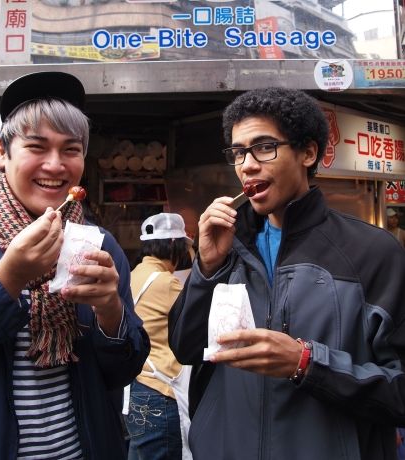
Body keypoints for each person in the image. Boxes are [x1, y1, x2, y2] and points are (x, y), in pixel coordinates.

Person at [168, 87, 405, 460]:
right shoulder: (229, 245)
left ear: (308, 153)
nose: (247, 165)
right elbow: (185, 348)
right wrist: (207, 268)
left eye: (264, 147)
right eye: (239, 152)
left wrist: (307, 364)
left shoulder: (373, 252)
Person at [0, 71, 150, 460]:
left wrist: (111, 313)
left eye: (71, 149)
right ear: (2, 153)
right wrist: (7, 278)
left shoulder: (99, 245)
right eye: (37, 147)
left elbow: (122, 373)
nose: (55, 165)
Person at [124, 213, 193, 460]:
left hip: (137, 386)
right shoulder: (166, 283)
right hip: (161, 390)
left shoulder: (133, 275)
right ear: (174, 244)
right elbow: (198, 323)